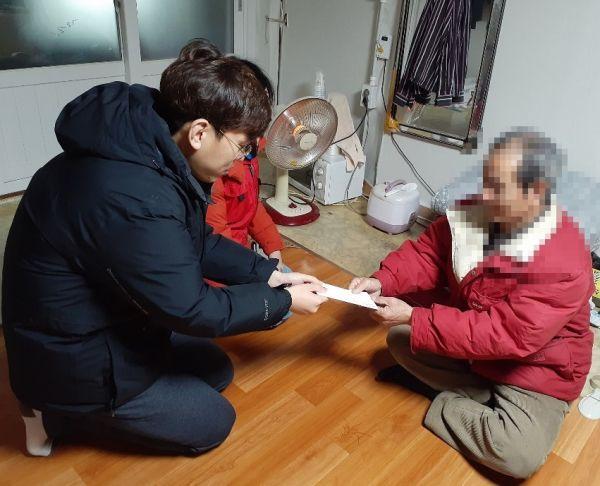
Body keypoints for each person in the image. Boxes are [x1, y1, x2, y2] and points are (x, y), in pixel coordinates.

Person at [2, 38, 327, 457]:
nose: (245, 159)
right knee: (213, 422)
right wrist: (281, 302)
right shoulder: (135, 197)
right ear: (200, 132)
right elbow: (189, 308)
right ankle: (54, 415)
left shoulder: (154, 144)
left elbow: (195, 241)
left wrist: (267, 273)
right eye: (243, 145)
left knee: (217, 369)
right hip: (70, 354)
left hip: (107, 315)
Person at [350, 129, 594, 479]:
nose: (484, 194)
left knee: (518, 456)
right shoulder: (479, 211)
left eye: (498, 187)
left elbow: (505, 334)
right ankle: (480, 398)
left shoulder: (563, 261)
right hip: (476, 349)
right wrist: (383, 280)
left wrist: (417, 318)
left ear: (536, 192)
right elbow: (429, 254)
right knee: (398, 340)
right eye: (485, 180)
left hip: (534, 370)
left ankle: (448, 402)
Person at [206, 59, 287, 271]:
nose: (258, 139)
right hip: (222, 267)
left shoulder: (249, 156)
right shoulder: (213, 177)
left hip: (242, 256)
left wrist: (273, 248)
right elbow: (218, 246)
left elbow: (252, 207)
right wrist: (256, 272)